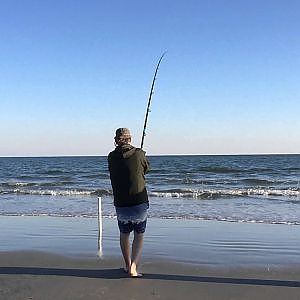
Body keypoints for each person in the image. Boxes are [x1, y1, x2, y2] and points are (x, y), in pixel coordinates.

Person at [108, 128, 150, 277]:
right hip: (139, 201)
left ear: (116, 140)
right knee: (139, 234)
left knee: (124, 234)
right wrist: (140, 155)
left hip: (121, 202)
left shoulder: (111, 157)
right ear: (130, 139)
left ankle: (127, 264)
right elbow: (146, 169)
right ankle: (133, 266)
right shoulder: (139, 153)